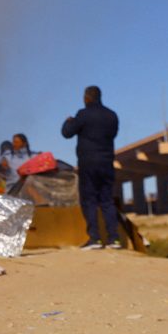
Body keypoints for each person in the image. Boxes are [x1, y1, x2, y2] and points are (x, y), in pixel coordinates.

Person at [62, 85, 120, 249]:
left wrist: (68, 122)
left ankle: (94, 238)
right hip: (107, 162)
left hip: (88, 163)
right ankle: (113, 239)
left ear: (87, 98)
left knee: (89, 200)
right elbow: (113, 134)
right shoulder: (112, 115)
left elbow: (67, 133)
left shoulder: (83, 114)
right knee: (107, 200)